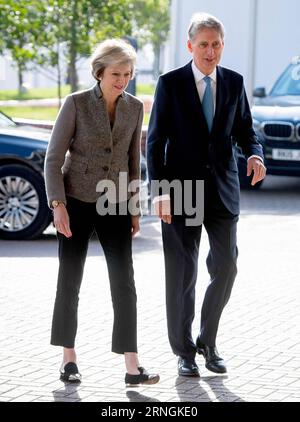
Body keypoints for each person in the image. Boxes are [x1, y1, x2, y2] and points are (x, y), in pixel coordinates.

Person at [147, 12, 266, 377]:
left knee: (226, 267)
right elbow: (154, 142)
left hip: (223, 190)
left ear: (222, 46)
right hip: (180, 190)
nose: (210, 51)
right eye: (203, 44)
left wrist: (256, 153)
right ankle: (183, 352)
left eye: (216, 44)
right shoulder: (170, 84)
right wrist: (159, 192)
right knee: (182, 273)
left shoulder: (233, 82)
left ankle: (208, 340)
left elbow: (246, 130)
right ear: (190, 46)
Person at [44, 39, 159, 386]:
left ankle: (132, 365)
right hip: (75, 201)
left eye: (127, 74)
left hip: (117, 204)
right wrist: (58, 205)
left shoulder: (135, 107)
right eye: (115, 74)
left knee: (125, 284)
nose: (122, 80)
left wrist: (135, 210)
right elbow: (53, 159)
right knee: (70, 281)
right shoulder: (76, 104)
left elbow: (132, 163)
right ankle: (68, 359)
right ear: (99, 73)